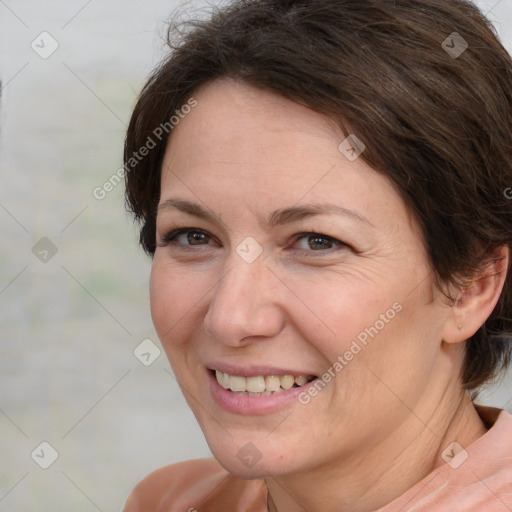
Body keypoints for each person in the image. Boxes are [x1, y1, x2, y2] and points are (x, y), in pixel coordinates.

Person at [122, 0, 512, 510]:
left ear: (471, 286)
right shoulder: (171, 501)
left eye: (317, 242)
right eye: (194, 236)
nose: (230, 318)